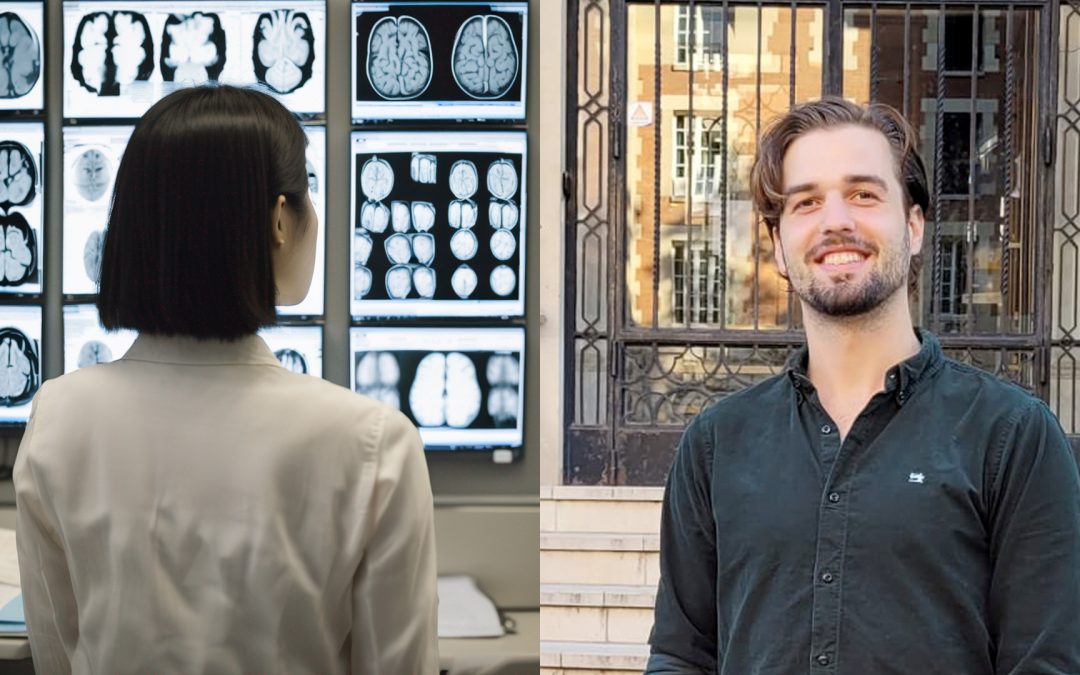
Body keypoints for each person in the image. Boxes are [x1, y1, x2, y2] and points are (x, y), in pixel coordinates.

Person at [13, 86, 439, 674]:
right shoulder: (374, 445)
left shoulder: (58, 419)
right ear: (280, 223)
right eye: (307, 191)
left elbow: (60, 657)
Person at [646, 97, 1080, 673]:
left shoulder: (1012, 436)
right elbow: (681, 655)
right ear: (777, 245)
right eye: (806, 202)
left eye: (863, 194)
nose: (835, 222)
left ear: (914, 224)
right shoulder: (715, 443)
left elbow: (1046, 662)